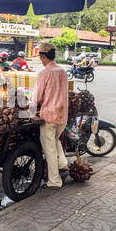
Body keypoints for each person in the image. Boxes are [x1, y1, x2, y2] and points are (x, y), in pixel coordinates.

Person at [35, 43, 68, 188]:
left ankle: (54, 181)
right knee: (55, 139)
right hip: (62, 116)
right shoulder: (63, 71)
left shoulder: (44, 73)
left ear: (43, 56)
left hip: (49, 116)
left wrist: (29, 111)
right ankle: (63, 163)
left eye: (40, 57)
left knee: (49, 149)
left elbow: (36, 96)